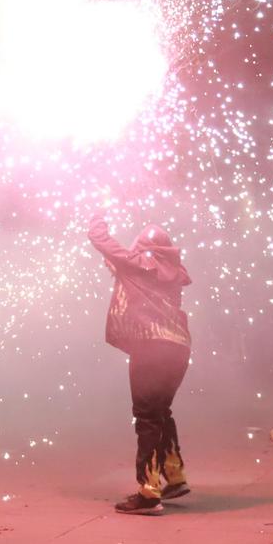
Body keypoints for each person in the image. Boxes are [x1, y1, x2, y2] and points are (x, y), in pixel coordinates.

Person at [87, 215, 191, 516]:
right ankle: (174, 476)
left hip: (151, 348)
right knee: (160, 413)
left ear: (145, 246)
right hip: (179, 349)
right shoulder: (172, 271)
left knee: (146, 416)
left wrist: (98, 215)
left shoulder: (141, 262)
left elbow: (104, 244)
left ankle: (148, 493)